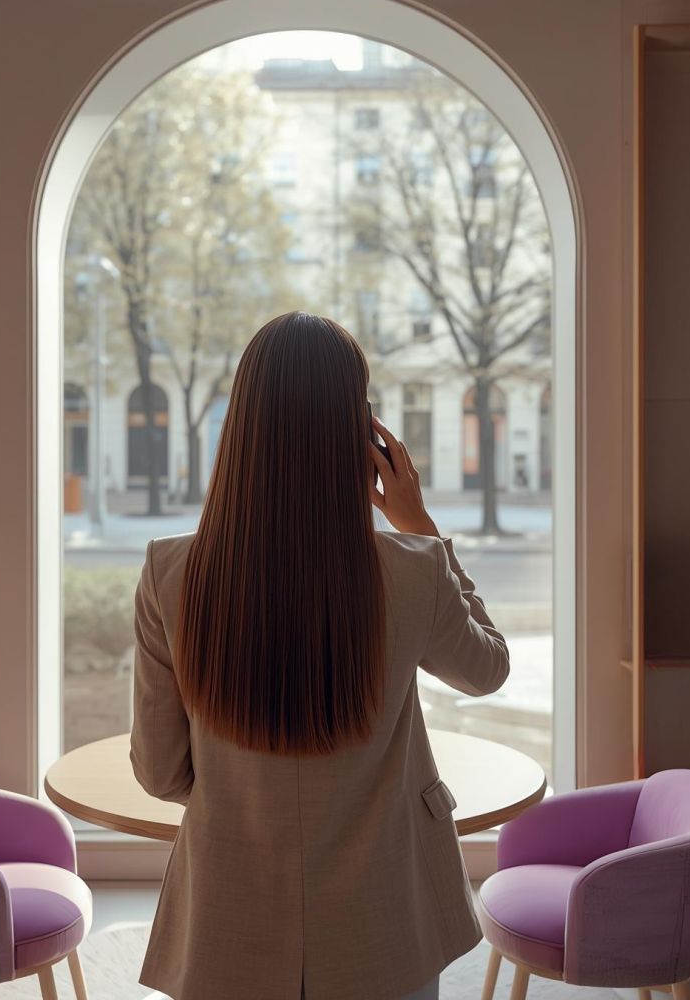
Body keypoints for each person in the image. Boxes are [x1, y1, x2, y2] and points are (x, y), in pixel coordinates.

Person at [130, 310, 509, 1000]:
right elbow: (488, 670)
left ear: (240, 425)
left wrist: (248, 788)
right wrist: (421, 528)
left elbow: (160, 774)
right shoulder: (412, 567)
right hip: (384, 915)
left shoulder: (170, 571)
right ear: (358, 432)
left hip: (228, 913)